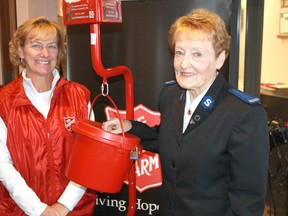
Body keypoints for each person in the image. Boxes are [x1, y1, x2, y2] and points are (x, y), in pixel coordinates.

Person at [102, 8, 270, 215]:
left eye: (197, 54)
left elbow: (247, 203)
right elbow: (169, 139)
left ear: (220, 59)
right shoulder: (170, 95)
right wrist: (130, 126)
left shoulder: (244, 115)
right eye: (180, 52)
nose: (184, 63)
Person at [0, 17, 96, 215]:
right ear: (20, 50)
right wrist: (39, 210)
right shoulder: (4, 102)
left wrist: (63, 206)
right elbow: (3, 165)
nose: (45, 53)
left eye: (52, 46)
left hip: (74, 210)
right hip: (20, 211)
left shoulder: (79, 96)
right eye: (36, 45)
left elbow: (89, 158)